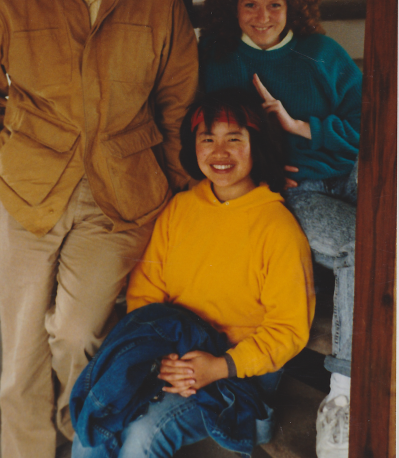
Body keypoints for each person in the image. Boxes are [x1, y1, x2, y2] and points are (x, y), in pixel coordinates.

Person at [0, 0, 198, 458]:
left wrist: (179, 183)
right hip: (27, 191)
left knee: (77, 333)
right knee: (20, 358)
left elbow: (177, 100)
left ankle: (80, 433)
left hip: (122, 191)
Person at [69, 88, 315, 458]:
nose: (219, 152)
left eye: (234, 139)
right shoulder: (181, 208)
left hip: (236, 369)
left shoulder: (276, 227)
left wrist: (218, 366)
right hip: (171, 355)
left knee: (142, 437)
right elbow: (146, 293)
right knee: (96, 423)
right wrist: (164, 360)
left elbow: (289, 330)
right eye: (207, 139)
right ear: (194, 146)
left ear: (256, 144)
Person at [199, 0, 362, 458]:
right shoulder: (219, 62)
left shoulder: (324, 53)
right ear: (233, 7)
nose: (263, 17)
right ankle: (344, 396)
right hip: (297, 194)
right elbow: (212, 142)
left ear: (293, 6)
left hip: (352, 178)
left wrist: (302, 127)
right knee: (365, 243)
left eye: (275, 5)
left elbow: (370, 128)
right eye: (250, 4)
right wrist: (267, 166)